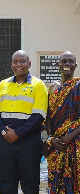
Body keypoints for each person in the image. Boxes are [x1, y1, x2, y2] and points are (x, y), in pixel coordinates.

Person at [0, 50, 48, 194]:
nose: (19, 65)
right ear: (11, 65)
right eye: (15, 62)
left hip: (29, 142)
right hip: (5, 142)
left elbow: (39, 115)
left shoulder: (38, 85)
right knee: (6, 184)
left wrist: (17, 133)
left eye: (22, 61)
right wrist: (5, 132)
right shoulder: (3, 85)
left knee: (29, 184)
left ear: (29, 64)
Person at [46, 51, 80, 193]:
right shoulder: (52, 87)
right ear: (58, 65)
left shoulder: (78, 86)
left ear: (75, 65)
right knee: (56, 184)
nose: (67, 64)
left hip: (75, 143)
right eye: (63, 61)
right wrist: (50, 138)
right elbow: (48, 116)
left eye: (70, 61)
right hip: (56, 144)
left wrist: (69, 137)